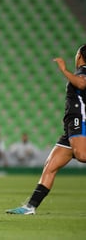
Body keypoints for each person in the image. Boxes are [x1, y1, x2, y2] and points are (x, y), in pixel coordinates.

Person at [7, 45, 86, 215]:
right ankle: (30, 207)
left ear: (79, 56)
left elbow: (81, 83)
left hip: (81, 122)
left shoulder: (83, 72)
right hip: (71, 127)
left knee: (82, 155)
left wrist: (64, 69)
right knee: (50, 165)